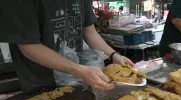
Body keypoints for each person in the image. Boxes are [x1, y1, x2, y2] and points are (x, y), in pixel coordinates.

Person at [0, 0, 133, 93]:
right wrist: (80, 70)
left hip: (76, 80)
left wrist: (114, 55)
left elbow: (90, 32)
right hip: (40, 83)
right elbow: (30, 47)